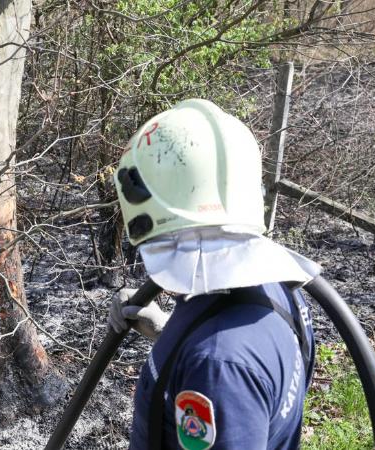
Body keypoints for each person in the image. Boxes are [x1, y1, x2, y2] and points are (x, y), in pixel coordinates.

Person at [108, 99, 322, 449]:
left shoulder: (218, 367)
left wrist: (200, 356)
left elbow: (229, 373)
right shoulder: (278, 285)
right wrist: (171, 336)